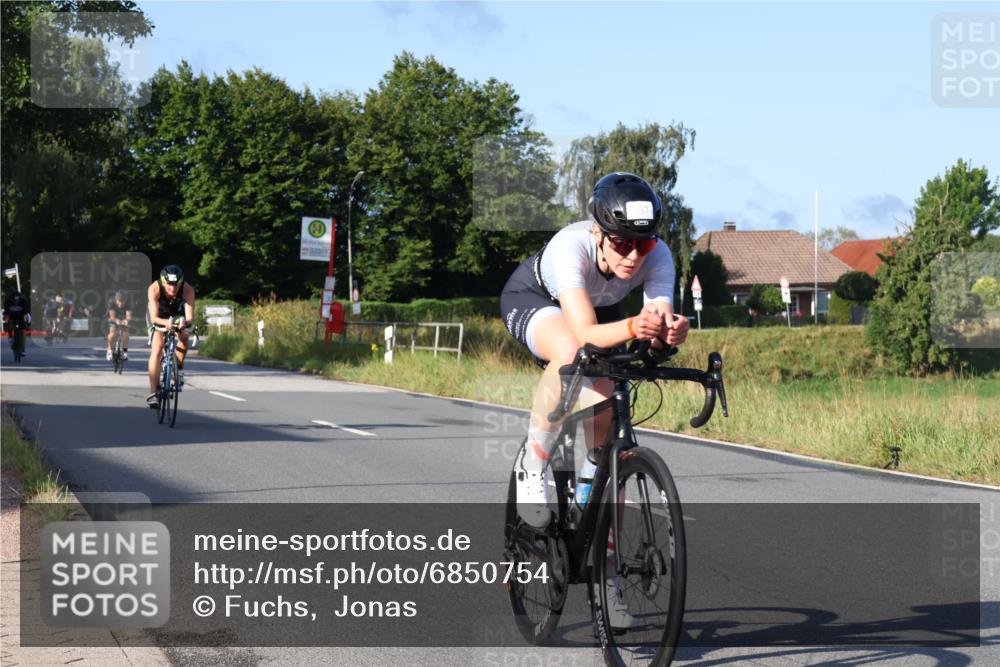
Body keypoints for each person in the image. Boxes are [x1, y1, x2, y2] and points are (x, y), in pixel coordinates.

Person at [500, 172, 690, 628]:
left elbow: (654, 325)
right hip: (537, 300)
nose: (632, 255)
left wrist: (669, 335)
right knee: (571, 353)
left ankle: (607, 575)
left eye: (641, 246)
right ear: (598, 235)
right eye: (621, 243)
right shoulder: (572, 248)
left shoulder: (657, 254)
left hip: (599, 311)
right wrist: (632, 328)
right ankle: (535, 461)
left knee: (610, 400)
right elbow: (583, 334)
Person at [146, 265, 195, 408]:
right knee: (157, 347)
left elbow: (190, 317)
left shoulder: (188, 290)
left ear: (181, 282)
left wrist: (184, 323)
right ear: (163, 282)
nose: (173, 289)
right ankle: (153, 393)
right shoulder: (154, 288)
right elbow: (154, 317)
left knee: (185, 337)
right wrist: (165, 323)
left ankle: (177, 370)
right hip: (159, 315)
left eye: (176, 285)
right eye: (169, 285)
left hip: (177, 312)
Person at [106, 290, 133, 361]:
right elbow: (112, 316)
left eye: (122, 301)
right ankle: (109, 350)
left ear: (125, 301)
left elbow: (129, 316)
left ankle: (125, 352)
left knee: (126, 333)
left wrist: (127, 321)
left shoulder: (128, 303)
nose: (120, 303)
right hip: (114, 317)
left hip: (123, 317)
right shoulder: (111, 302)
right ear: (116, 300)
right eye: (119, 301)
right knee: (113, 331)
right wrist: (116, 320)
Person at [3, 290, 30, 357]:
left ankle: (23, 350)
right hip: (12, 318)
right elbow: (6, 312)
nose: (16, 301)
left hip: (20, 318)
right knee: (8, 326)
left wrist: (26, 320)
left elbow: (26, 312)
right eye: (14, 300)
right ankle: (10, 337)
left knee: (23, 332)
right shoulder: (8, 302)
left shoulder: (23, 301)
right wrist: (6, 319)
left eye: (17, 300)